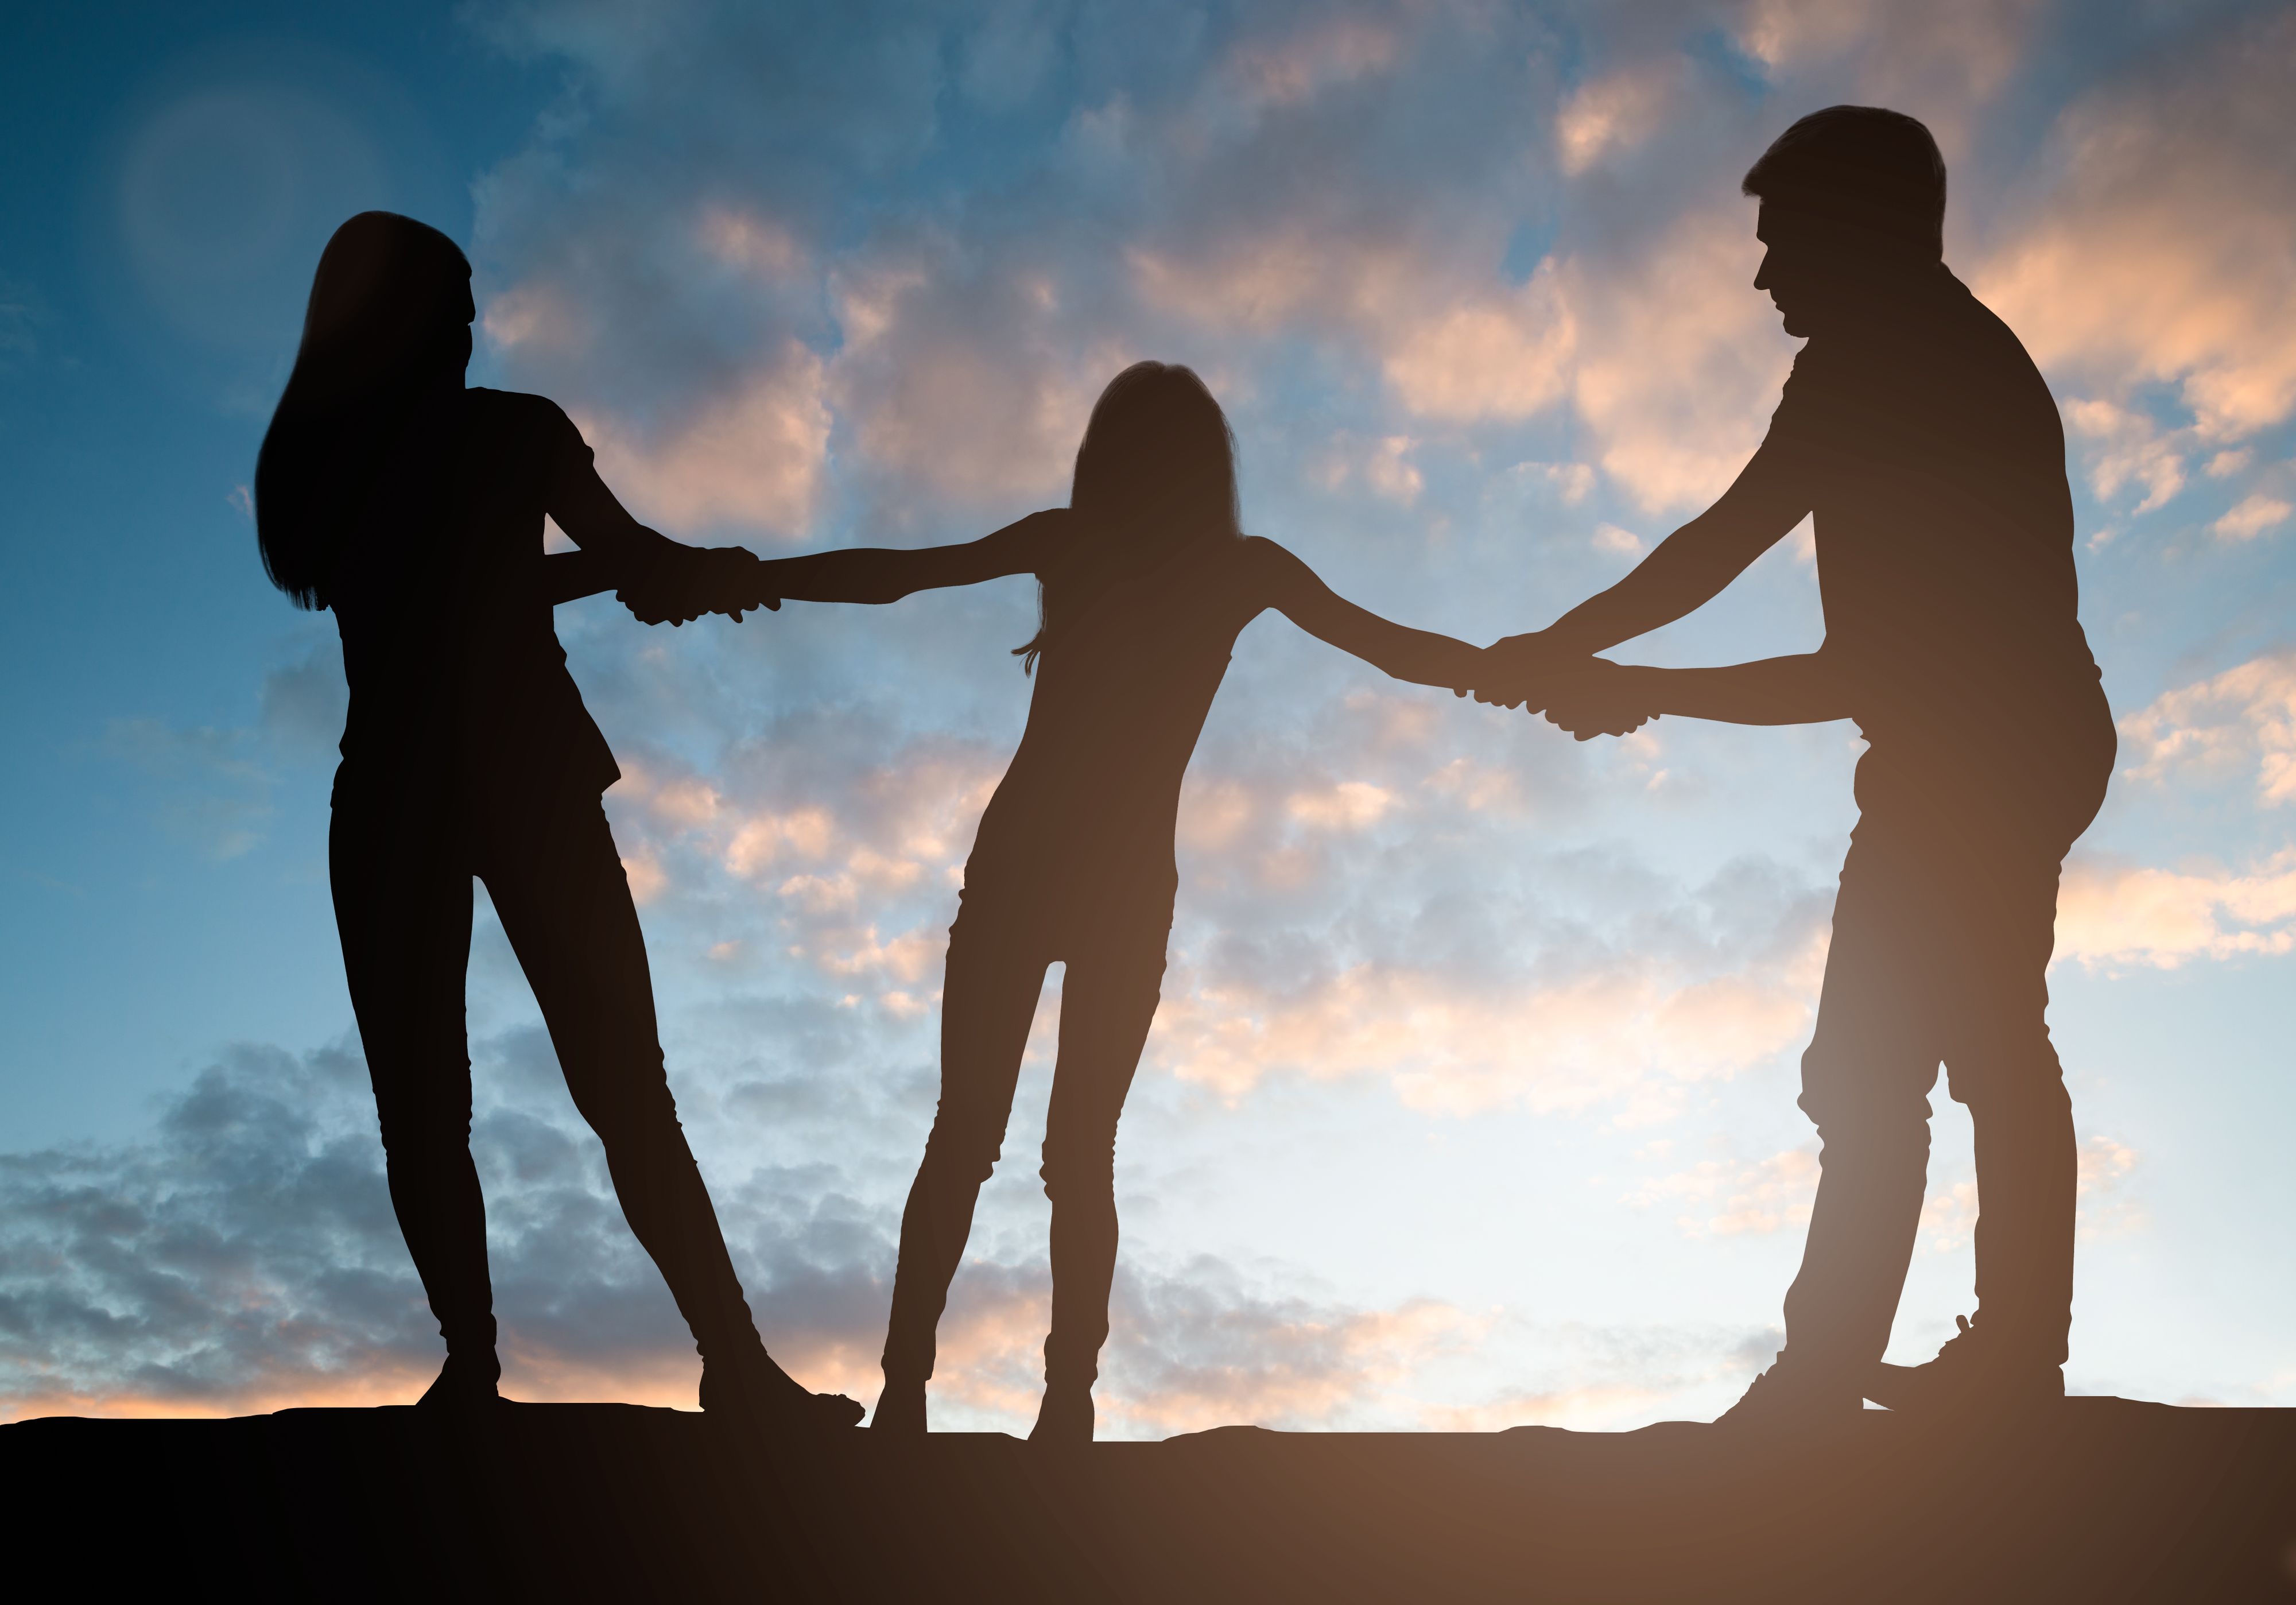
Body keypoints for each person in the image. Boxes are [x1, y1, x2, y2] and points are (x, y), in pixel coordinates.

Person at [1476, 108, 2115, 1426]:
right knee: (1889, 1062)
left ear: (1858, 232)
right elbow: (1728, 549)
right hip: (1970, 745)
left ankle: (1901, 1370)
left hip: (1992, 747)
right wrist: (1567, 650)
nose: (1763, 274)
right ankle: (1939, 1359)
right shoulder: (1880, 361)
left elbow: (1850, 665)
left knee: (1965, 1048)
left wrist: (1617, 679)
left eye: (1781, 242)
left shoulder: (1910, 368)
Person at [722, 362, 1484, 1441]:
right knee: (1074, 1149)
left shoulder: (1077, 544)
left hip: (1038, 864)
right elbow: (1393, 648)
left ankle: (913, 1394)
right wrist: (1514, 668)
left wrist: (759, 575)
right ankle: (1060, 1402)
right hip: (1119, 879)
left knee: (971, 1136)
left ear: (1106, 457)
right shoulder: (1237, 569)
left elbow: (898, 574)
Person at [254, 211, 859, 1429]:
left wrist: (664, 572)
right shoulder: (511, 432)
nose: (473, 322)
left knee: (433, 1106)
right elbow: (618, 560)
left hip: (396, 796)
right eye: (456, 302)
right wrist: (691, 576)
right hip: (518, 780)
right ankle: (724, 1367)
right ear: (417, 320)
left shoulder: (320, 470)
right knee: (616, 1088)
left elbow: (467, 581)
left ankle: (481, 1370)